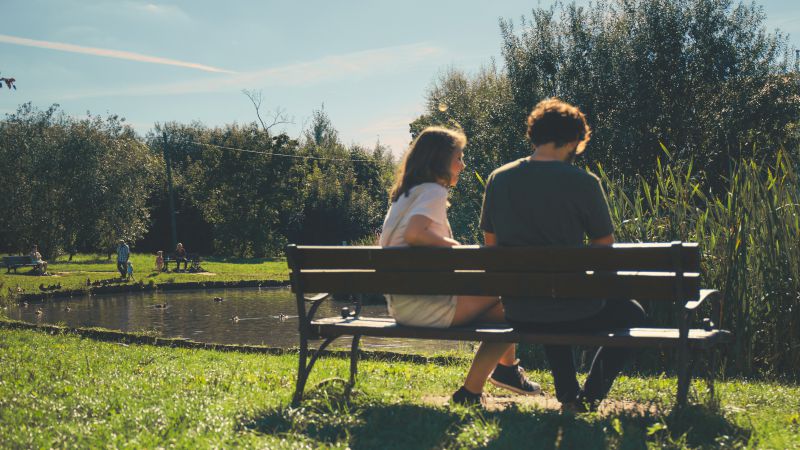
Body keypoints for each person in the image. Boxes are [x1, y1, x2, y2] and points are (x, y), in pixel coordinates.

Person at [479, 98, 646, 412]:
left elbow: (492, 245)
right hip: (572, 306)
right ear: (573, 140)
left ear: (535, 134)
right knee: (632, 312)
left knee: (549, 298)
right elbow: (603, 247)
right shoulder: (583, 183)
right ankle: (590, 395)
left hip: (519, 307)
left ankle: (569, 393)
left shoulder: (498, 179)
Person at [380, 126, 540, 406]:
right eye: (459, 158)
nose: (463, 165)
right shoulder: (433, 191)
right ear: (440, 160)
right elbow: (415, 234)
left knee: (507, 308)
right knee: (522, 304)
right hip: (427, 306)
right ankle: (475, 388)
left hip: (403, 306)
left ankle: (506, 369)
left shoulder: (405, 195)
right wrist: (457, 250)